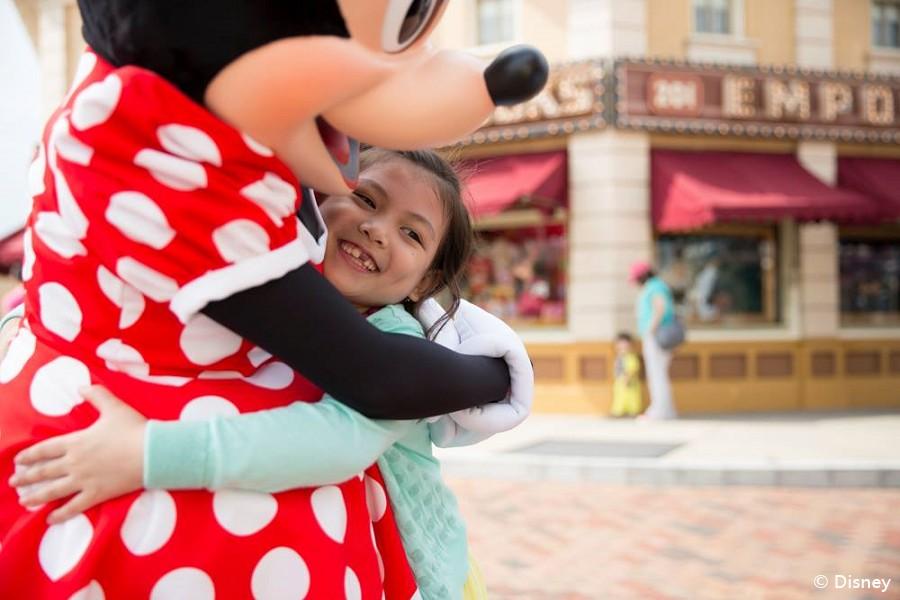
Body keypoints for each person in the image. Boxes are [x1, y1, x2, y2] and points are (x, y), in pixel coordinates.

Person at [2, 146, 526, 597]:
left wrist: (147, 454)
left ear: (424, 282)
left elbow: (331, 441)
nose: (376, 228)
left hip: (413, 574)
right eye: (366, 199)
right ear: (320, 199)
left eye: (412, 234)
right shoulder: (283, 287)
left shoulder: (399, 347)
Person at [629, 260, 678, 420]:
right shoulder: (657, 286)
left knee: (656, 374)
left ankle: (658, 411)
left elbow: (660, 308)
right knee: (659, 373)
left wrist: (649, 331)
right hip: (658, 335)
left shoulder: (655, 287)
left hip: (656, 336)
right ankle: (666, 411)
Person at [610, 332, 642, 418]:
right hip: (620, 382)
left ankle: (633, 412)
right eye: (620, 344)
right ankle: (618, 412)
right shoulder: (619, 356)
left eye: (625, 344)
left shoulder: (631, 356)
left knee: (631, 398)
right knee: (619, 397)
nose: (622, 347)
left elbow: (632, 368)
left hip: (629, 382)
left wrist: (627, 377)